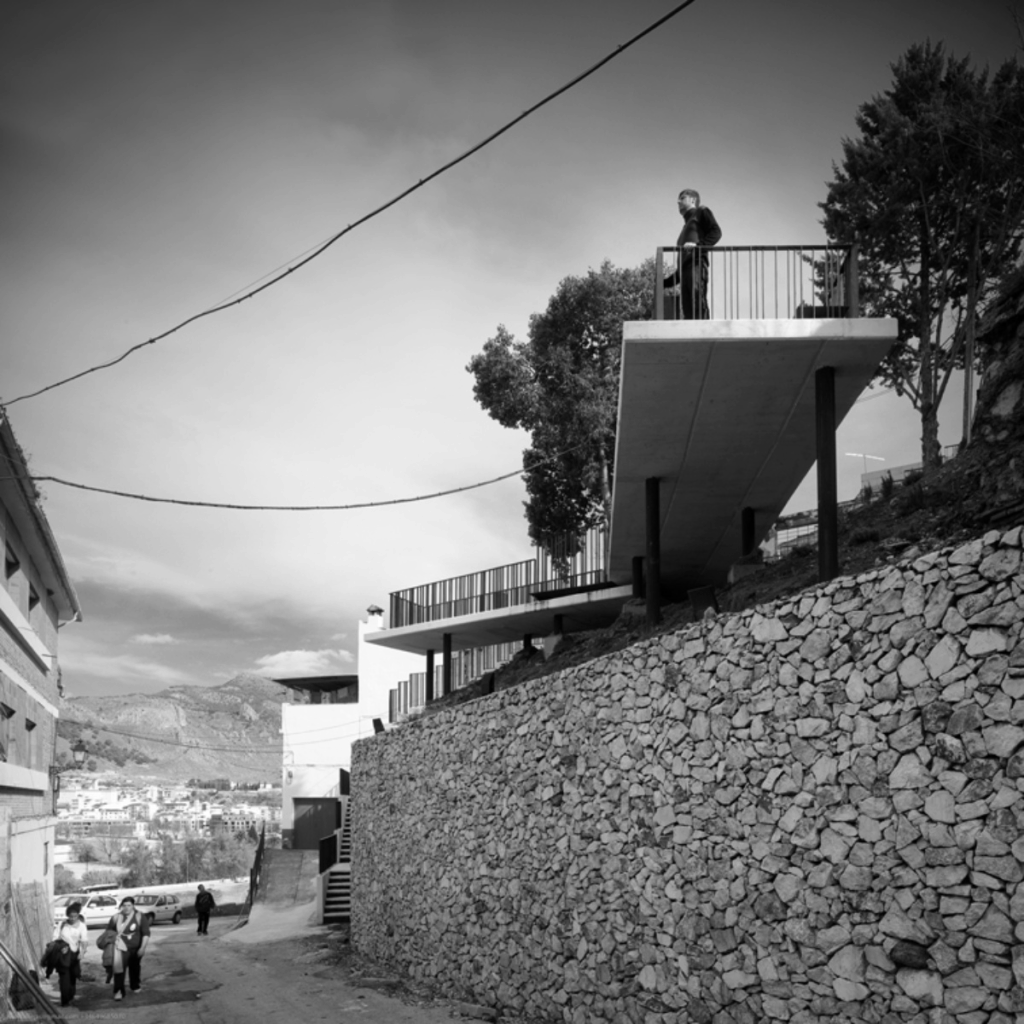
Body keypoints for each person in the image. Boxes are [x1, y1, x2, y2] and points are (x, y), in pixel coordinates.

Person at [664, 188, 722, 319]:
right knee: (687, 310)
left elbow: (716, 232)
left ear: (693, 200)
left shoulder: (701, 211)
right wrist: (664, 282)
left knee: (697, 302)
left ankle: (704, 329)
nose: (678, 202)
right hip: (685, 272)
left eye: (682, 198)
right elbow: (682, 266)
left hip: (696, 265)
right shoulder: (685, 228)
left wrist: (698, 247)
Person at [106, 895, 150, 1000]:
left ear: (133, 906)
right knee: (119, 970)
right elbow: (108, 933)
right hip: (120, 949)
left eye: (129, 905)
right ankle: (118, 991)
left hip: (136, 948)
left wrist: (142, 948)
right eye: (124, 905)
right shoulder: (116, 917)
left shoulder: (139, 916)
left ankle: (134, 985)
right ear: (121, 906)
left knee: (135, 967)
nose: (126, 908)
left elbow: (146, 933)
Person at [50, 902, 88, 1007]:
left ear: (78, 915)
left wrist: (82, 952)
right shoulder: (62, 924)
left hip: (74, 955)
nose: (72, 918)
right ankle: (65, 1000)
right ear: (67, 915)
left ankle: (71, 996)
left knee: (73, 976)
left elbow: (84, 941)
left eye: (75, 916)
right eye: (70, 916)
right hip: (62, 955)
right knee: (64, 978)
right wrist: (60, 946)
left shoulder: (82, 926)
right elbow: (55, 938)